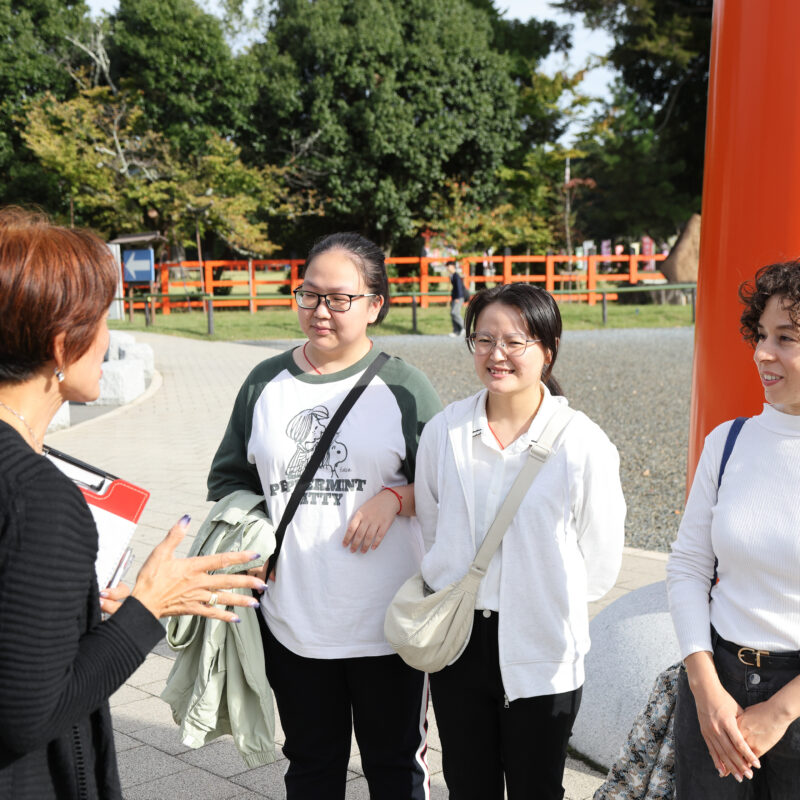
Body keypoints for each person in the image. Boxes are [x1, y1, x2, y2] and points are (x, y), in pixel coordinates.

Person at [0, 208, 267, 800]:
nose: (109, 339)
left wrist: (67, 610)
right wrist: (148, 605)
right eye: (99, 320)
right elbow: (27, 715)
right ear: (61, 345)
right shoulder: (40, 498)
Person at [207, 232, 442, 800]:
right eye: (309, 295)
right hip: (294, 617)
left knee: (394, 768)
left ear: (374, 305)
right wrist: (251, 543)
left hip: (388, 625)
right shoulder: (265, 382)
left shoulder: (404, 387)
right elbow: (230, 479)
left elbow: (448, 488)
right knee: (311, 766)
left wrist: (395, 498)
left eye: (339, 299)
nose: (320, 311)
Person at [414, 283, 625, 799]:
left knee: (537, 786)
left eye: (515, 341)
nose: (497, 354)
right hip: (460, 640)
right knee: (467, 782)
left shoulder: (582, 443)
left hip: (542, 640)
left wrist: (544, 591)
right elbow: (431, 526)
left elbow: (599, 561)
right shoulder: (445, 431)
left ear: (547, 351)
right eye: (483, 339)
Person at [667, 260, 800, 798]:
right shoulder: (728, 440)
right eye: (761, 335)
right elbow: (687, 566)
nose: (762, 354)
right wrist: (704, 688)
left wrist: (782, 710)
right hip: (715, 680)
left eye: (786, 338)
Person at [447, 261, 467, 336]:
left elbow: (459, 287)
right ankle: (456, 331)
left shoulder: (456, 276)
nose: (447, 268)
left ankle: (464, 328)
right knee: (452, 314)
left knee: (455, 312)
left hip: (458, 297)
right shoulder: (452, 275)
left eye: (448, 266)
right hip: (455, 297)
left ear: (452, 266)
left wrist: (458, 297)